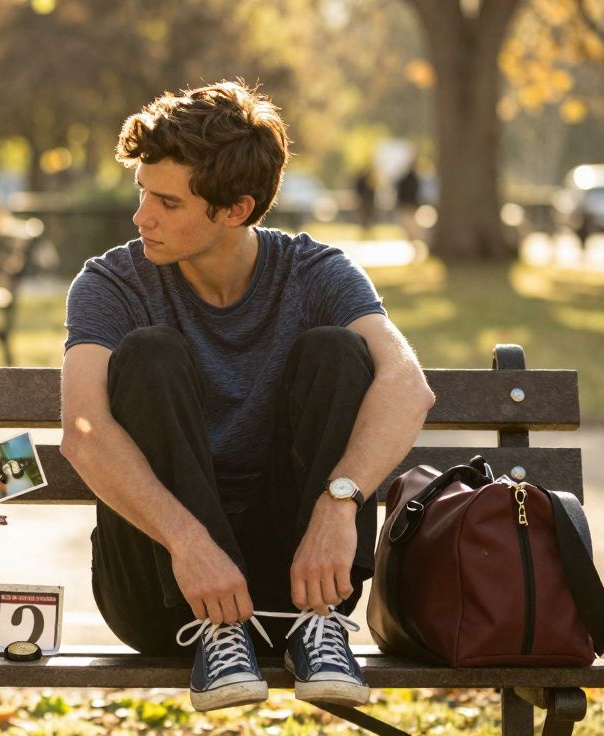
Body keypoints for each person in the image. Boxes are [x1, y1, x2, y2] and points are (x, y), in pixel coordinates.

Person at [60, 82, 434, 712]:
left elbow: (407, 384)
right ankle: (217, 630)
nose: (141, 216)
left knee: (341, 353)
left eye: (167, 202)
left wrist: (337, 506)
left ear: (235, 208)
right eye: (142, 192)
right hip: (164, 584)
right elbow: (84, 430)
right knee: (149, 353)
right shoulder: (111, 282)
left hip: (299, 583)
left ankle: (317, 627)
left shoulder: (313, 272)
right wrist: (189, 543)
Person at [395, 162, 423, 244]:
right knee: (410, 225)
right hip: (410, 205)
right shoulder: (414, 180)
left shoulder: (406, 179)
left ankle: (412, 239)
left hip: (407, 205)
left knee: (409, 225)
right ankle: (413, 239)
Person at [354, 167, 377, 238]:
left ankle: (368, 231)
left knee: (369, 217)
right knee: (364, 217)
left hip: (369, 201)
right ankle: (364, 232)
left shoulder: (371, 180)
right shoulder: (362, 180)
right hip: (364, 201)